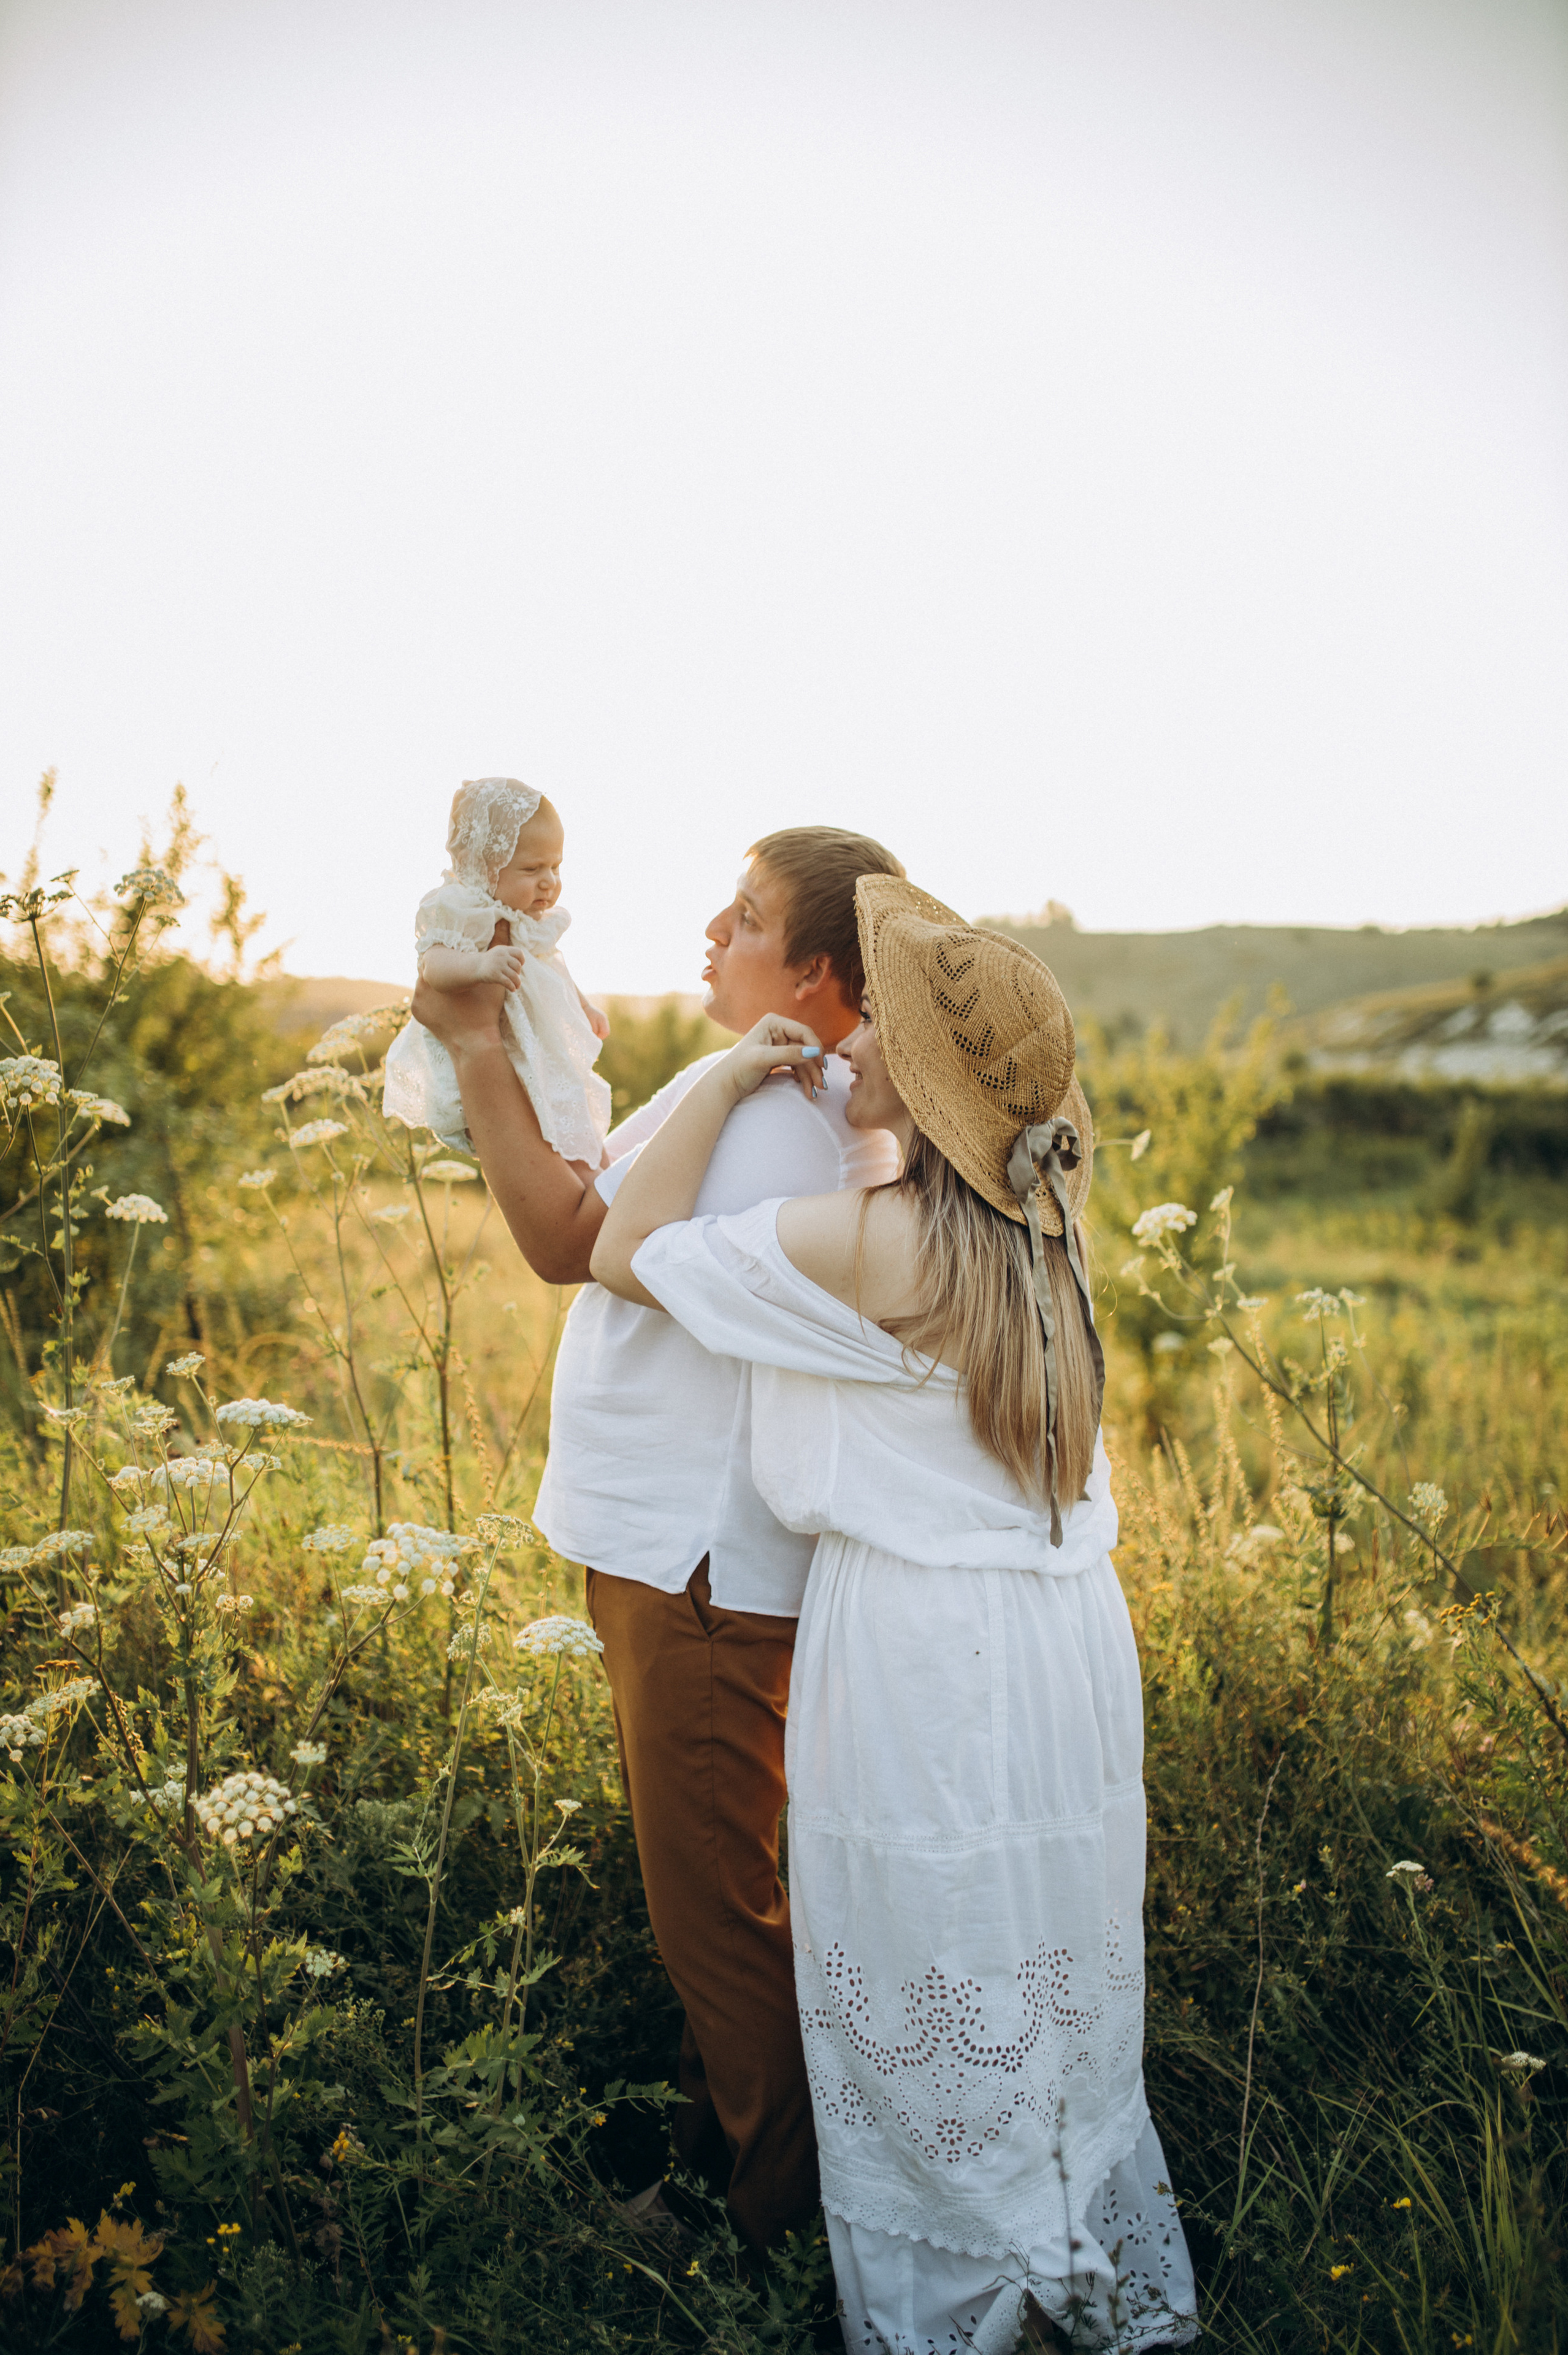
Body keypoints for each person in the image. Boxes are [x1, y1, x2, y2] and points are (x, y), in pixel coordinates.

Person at [592, 878, 1199, 2354]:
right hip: (1058, 1638)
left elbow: (619, 1248)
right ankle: (1063, 2244)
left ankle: (963, 2298)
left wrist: (723, 1076)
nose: (853, 1038)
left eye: (886, 1038)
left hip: (920, 1644)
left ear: (921, 1091)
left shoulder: (865, 1244)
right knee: (1034, 1949)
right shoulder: (1037, 1227)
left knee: (924, 1953)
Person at [409, 825, 906, 2251]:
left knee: (716, 1919)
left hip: (698, 1564)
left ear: (816, 972)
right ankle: (700, 2188)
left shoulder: (775, 1118)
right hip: (677, 1552)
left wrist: (475, 1040)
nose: (709, 930)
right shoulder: (748, 1085)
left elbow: (566, 1236)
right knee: (711, 1899)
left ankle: (770, 2239)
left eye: (742, 916)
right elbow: (582, 1188)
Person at [383, 776, 611, 1165]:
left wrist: (584, 1006)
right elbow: (433, 965)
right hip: (496, 1059)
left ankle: (595, 1183)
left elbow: (553, 966)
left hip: (539, 1053)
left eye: (556, 866)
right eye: (532, 868)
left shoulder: (531, 922)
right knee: (528, 1138)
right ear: (483, 867)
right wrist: (478, 965)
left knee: (573, 1128)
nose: (549, 881)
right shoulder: (464, 909)